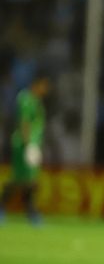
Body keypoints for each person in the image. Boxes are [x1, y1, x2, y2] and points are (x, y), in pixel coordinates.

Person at [0, 75, 50, 224]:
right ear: (37, 84)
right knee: (21, 179)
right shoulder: (26, 99)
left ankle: (30, 211)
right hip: (23, 144)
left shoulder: (36, 101)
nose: (46, 90)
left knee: (29, 179)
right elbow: (25, 122)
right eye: (44, 86)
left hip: (32, 144)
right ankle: (24, 210)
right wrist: (28, 144)